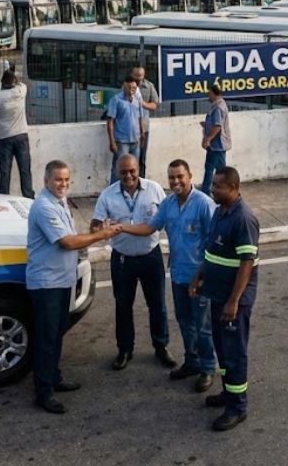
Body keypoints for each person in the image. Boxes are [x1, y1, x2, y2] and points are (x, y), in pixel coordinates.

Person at [26, 160, 123, 414]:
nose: (64, 184)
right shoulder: (44, 207)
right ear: (46, 180)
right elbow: (67, 242)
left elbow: (74, 237)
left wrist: (93, 234)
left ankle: (54, 377)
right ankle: (43, 391)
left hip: (62, 281)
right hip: (46, 284)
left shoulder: (60, 203)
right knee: (46, 338)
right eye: (58, 179)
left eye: (67, 180)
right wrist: (102, 235)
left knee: (56, 333)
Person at [117, 159, 217, 392]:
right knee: (184, 322)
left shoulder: (204, 204)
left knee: (203, 326)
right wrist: (121, 227)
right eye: (171, 177)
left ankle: (208, 367)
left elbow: (214, 243)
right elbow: (150, 228)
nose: (175, 181)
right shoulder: (168, 204)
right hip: (178, 275)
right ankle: (192, 362)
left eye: (180, 176)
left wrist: (202, 275)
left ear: (190, 176)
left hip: (199, 278)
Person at [91, 154, 176, 372]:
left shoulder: (155, 189)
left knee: (157, 304)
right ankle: (125, 350)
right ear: (116, 173)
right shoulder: (107, 195)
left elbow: (167, 217)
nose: (128, 176)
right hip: (122, 259)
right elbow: (95, 225)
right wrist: (99, 228)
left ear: (139, 169)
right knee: (122, 306)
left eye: (132, 171)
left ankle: (161, 346)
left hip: (151, 256)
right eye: (123, 172)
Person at [191, 166, 259, 432]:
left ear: (233, 188)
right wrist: (199, 276)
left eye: (217, 186)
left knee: (234, 353)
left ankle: (237, 407)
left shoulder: (243, 219)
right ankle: (228, 394)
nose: (212, 189)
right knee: (222, 348)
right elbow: (212, 251)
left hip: (234, 300)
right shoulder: (220, 211)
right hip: (217, 294)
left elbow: (246, 262)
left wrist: (233, 302)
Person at [0, 66, 34, 197]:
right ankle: (28, 196)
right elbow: (19, 82)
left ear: (2, 83)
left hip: (5, 138)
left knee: (5, 171)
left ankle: (4, 198)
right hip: (21, 135)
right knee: (25, 170)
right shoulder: (21, 90)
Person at [105, 76, 142, 180]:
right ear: (124, 87)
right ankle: (114, 190)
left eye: (134, 88)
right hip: (121, 141)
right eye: (130, 88)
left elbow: (139, 118)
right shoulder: (116, 100)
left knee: (134, 166)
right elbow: (110, 121)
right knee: (120, 167)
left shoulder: (137, 100)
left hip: (135, 140)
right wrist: (112, 141)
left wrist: (142, 134)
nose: (132, 90)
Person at [200, 83, 231, 194]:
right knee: (215, 168)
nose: (208, 96)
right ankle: (212, 189)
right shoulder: (218, 105)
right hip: (215, 145)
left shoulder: (218, 107)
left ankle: (208, 190)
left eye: (209, 93)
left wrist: (207, 139)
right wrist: (207, 125)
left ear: (213, 93)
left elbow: (217, 126)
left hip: (217, 144)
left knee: (215, 170)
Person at [131, 65, 160, 178]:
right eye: (136, 75)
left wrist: (142, 104)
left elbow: (155, 104)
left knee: (142, 158)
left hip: (144, 128)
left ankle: (141, 181)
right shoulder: (127, 85)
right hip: (129, 128)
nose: (138, 78)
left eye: (141, 75)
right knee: (129, 158)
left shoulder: (149, 86)